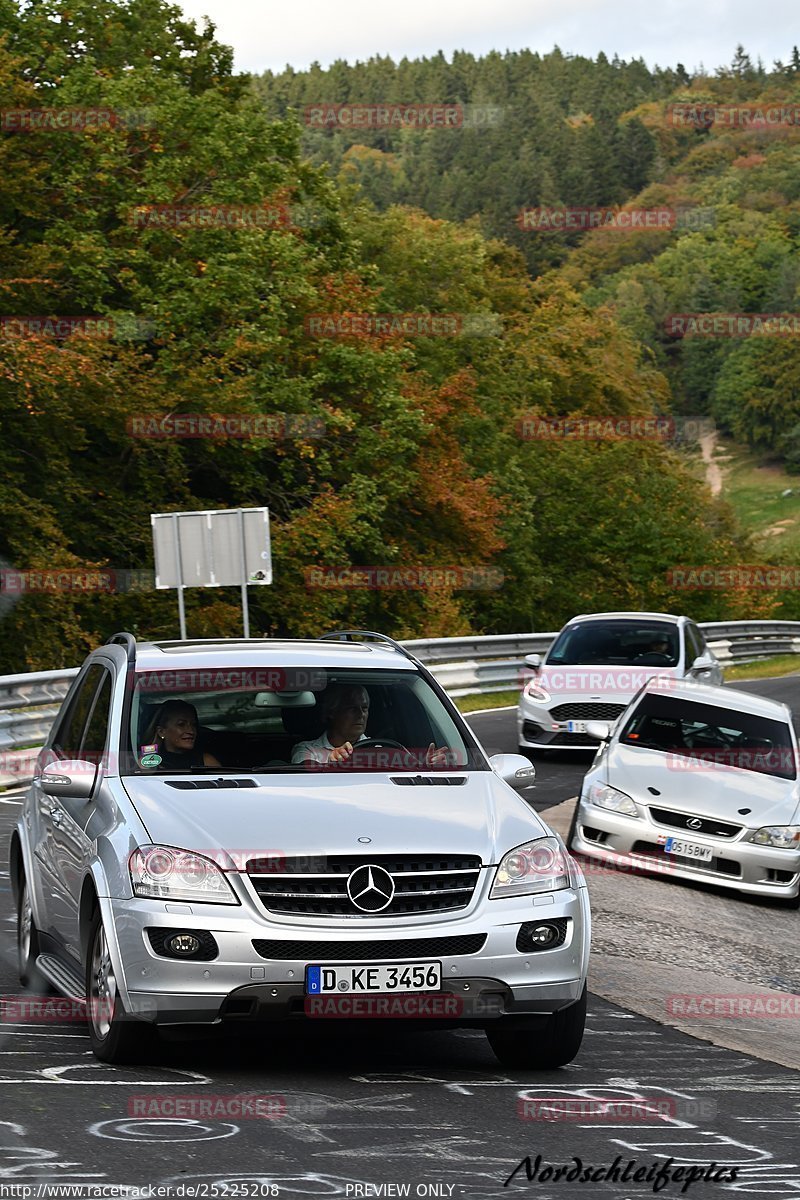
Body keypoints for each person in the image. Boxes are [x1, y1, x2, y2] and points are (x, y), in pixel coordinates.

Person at [291, 683, 450, 767]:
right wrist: (330, 764)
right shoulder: (307, 749)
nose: (360, 714)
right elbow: (304, 776)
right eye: (352, 708)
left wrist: (425, 766)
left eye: (364, 708)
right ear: (332, 712)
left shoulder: (381, 750)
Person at [143, 700, 221, 769]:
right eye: (181, 724)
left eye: (193, 725)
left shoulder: (207, 762)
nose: (191, 731)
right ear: (161, 732)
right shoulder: (147, 763)